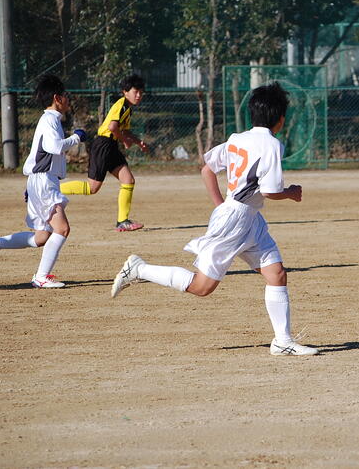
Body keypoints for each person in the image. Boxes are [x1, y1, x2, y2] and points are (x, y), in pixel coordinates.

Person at [110, 82, 318, 356]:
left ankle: (282, 341)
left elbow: (207, 169)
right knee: (202, 287)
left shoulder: (237, 139)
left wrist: (223, 205)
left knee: (276, 274)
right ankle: (139, 269)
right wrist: (290, 192)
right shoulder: (272, 144)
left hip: (246, 218)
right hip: (236, 220)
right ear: (280, 118)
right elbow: (270, 191)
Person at [0, 75, 85, 288]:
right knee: (62, 229)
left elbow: (40, 154)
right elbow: (54, 147)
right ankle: (41, 277)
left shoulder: (50, 119)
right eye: (65, 95)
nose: (68, 98)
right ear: (57, 98)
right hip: (44, 181)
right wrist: (76, 137)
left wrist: (32, 186)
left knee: (41, 237)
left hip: (41, 181)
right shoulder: (49, 120)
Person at [60, 74, 148, 232]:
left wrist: (137, 141)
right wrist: (125, 140)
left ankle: (123, 221)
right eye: (136, 92)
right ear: (125, 92)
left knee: (128, 180)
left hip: (111, 145)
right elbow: (112, 127)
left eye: (141, 92)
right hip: (103, 145)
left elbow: (124, 130)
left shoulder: (127, 108)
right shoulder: (121, 105)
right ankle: (51, 189)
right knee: (92, 188)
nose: (139, 95)